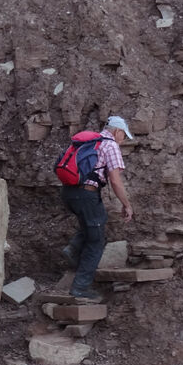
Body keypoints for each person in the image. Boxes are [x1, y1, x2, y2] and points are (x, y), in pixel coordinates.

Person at [60, 116, 135, 302]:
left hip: (69, 192)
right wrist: (126, 204)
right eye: (124, 135)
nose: (123, 140)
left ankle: (73, 248)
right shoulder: (110, 145)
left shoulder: (89, 141)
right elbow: (115, 181)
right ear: (117, 131)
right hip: (87, 193)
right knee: (96, 242)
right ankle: (80, 287)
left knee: (95, 222)